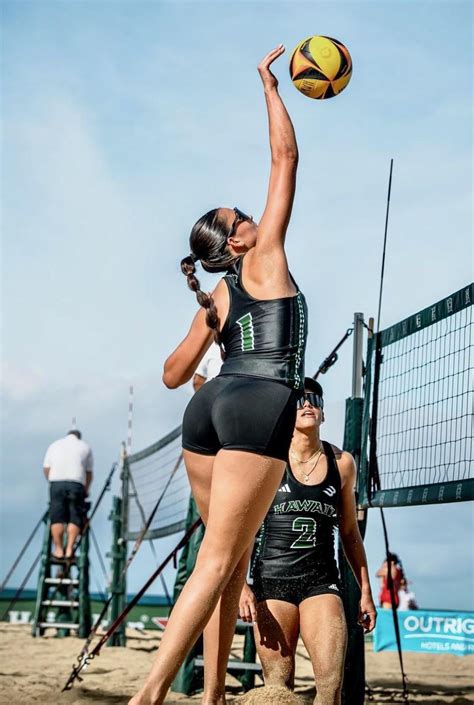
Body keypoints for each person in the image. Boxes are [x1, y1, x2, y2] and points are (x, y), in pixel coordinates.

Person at [130, 44, 307, 705]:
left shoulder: (221, 297)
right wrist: (270, 88)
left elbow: (175, 374)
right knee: (215, 562)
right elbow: (286, 159)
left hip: (207, 410)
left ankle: (210, 698)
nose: (256, 219)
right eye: (244, 218)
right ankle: (148, 694)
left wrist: (205, 332)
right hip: (260, 400)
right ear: (235, 241)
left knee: (225, 560)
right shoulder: (264, 257)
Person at [238, 378, 376, 705]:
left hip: (321, 582)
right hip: (273, 582)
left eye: (314, 399)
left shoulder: (342, 463)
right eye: (299, 400)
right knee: (277, 688)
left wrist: (366, 592)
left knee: (330, 687)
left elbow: (349, 533)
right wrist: (241, 583)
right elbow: (242, 528)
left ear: (324, 414)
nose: (307, 404)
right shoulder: (268, 461)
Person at [43, 429, 93, 560]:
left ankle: (58, 550)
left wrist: (51, 481)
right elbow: (89, 473)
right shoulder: (85, 446)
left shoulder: (54, 445)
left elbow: (46, 468)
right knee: (75, 516)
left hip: (56, 483)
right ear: (79, 437)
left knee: (57, 516)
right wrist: (86, 490)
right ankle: (69, 549)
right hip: (76, 484)